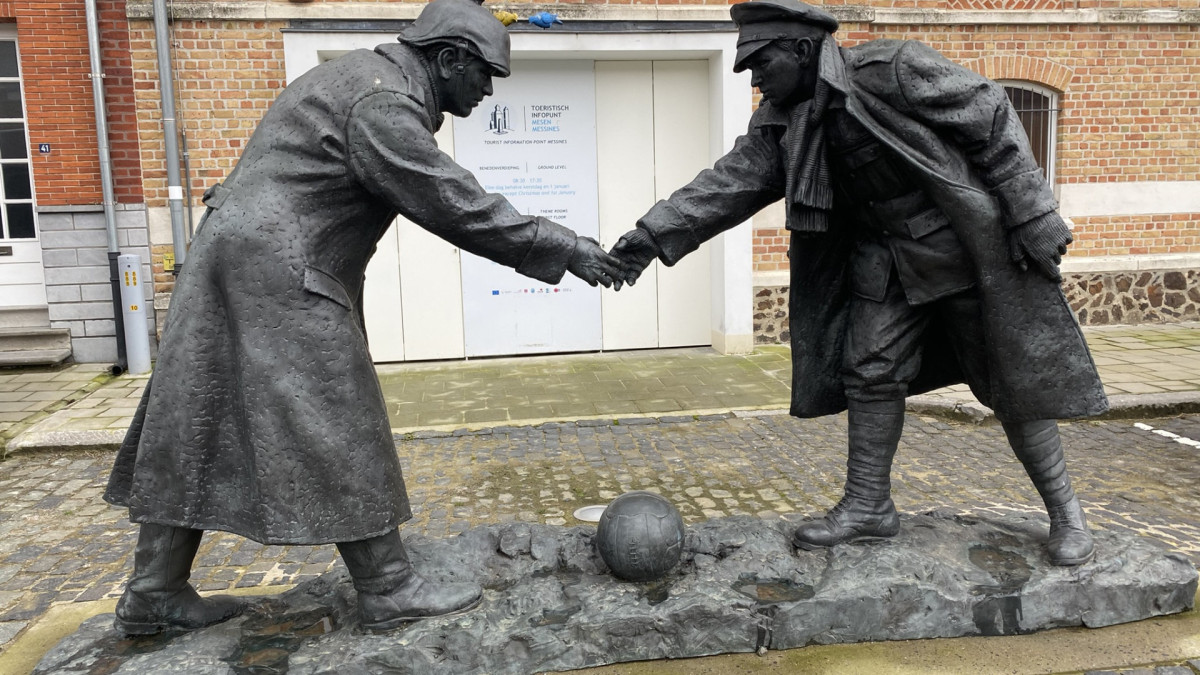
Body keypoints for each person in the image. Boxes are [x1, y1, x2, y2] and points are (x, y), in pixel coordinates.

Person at [103, 0, 625, 635]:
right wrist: (566, 248)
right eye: (486, 73)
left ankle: (154, 590)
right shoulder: (382, 103)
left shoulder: (354, 76)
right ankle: (387, 585)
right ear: (450, 58)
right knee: (339, 416)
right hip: (279, 273)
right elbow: (452, 201)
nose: (488, 90)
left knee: (197, 415)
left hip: (228, 263)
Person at [610, 0, 1108, 566]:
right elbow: (728, 184)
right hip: (881, 259)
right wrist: (649, 237)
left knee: (1010, 378)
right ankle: (869, 504)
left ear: (800, 51)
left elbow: (990, 114)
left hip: (957, 250)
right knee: (869, 371)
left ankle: (1067, 514)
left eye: (761, 64)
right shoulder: (782, 117)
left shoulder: (891, 68)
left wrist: (1034, 211)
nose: (755, 80)